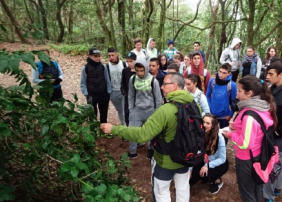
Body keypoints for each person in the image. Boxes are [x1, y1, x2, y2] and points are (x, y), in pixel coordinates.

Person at [100, 73, 194, 202]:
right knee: (183, 189)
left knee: (161, 192)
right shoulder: (194, 106)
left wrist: (114, 129)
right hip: (186, 158)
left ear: (175, 86)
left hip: (165, 160)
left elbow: (143, 135)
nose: (161, 87)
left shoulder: (165, 110)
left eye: (165, 84)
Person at [222, 75, 277, 202]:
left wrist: (230, 134)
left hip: (247, 159)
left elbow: (244, 143)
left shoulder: (249, 115)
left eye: (240, 90)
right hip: (258, 155)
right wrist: (238, 128)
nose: (237, 93)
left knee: (246, 193)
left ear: (249, 93)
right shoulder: (262, 107)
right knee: (256, 187)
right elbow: (255, 131)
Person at [127, 58, 162, 159]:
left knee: (152, 133)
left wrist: (157, 113)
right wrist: (131, 109)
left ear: (146, 69)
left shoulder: (153, 81)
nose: (139, 73)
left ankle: (151, 150)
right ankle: (132, 152)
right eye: (137, 70)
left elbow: (158, 99)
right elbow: (131, 95)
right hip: (137, 110)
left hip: (150, 110)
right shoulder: (133, 79)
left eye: (142, 70)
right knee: (132, 131)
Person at [190, 114, 229, 194]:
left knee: (206, 176)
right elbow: (193, 153)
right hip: (202, 160)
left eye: (208, 123)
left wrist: (207, 166)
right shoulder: (198, 135)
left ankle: (217, 181)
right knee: (190, 180)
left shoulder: (219, 137)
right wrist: (190, 170)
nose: (204, 125)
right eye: (203, 122)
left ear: (213, 125)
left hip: (216, 162)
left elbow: (222, 158)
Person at [263, 60, 282, 202]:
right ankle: (276, 189)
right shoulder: (273, 89)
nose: (267, 76)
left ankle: (268, 196)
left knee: (273, 166)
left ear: (280, 75)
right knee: (278, 164)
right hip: (273, 133)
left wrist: (276, 133)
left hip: (278, 136)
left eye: (271, 74)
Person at [80, 47, 111, 123]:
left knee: (104, 113)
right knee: (92, 114)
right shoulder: (85, 68)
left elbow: (107, 80)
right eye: (95, 56)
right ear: (90, 56)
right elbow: (83, 82)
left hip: (103, 93)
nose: (97, 58)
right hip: (91, 94)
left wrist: (108, 92)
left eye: (99, 56)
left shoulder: (103, 66)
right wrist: (86, 94)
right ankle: (93, 130)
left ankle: (103, 129)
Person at [206, 63, 237, 140]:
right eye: (220, 71)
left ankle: (222, 150)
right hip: (212, 113)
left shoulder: (232, 85)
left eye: (224, 73)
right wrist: (210, 107)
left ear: (229, 73)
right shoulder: (212, 81)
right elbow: (207, 95)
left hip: (224, 115)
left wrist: (230, 114)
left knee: (224, 135)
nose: (221, 74)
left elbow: (234, 101)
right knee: (211, 134)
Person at [107, 47, 126, 125]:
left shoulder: (124, 64)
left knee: (125, 109)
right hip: (113, 92)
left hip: (123, 91)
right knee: (120, 110)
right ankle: (123, 125)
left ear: (116, 54)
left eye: (112, 55)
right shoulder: (107, 66)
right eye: (109, 56)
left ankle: (128, 126)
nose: (111, 57)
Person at [121, 52, 137, 126]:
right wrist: (125, 93)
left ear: (135, 60)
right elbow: (123, 83)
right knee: (127, 114)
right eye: (127, 61)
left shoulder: (139, 71)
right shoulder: (125, 71)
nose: (129, 63)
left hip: (138, 98)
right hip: (128, 97)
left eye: (131, 61)